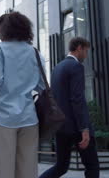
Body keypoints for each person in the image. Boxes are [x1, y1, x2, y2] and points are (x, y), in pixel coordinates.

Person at [0, 11, 45, 178]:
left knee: (1, 171)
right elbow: (42, 86)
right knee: (27, 171)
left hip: (3, 116)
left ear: (4, 31)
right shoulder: (34, 52)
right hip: (29, 117)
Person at [39, 37, 100, 178]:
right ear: (79, 48)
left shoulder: (57, 68)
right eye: (85, 51)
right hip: (77, 126)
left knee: (61, 166)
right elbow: (77, 99)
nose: (86, 54)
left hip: (60, 126)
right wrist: (84, 129)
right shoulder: (76, 67)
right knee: (92, 166)